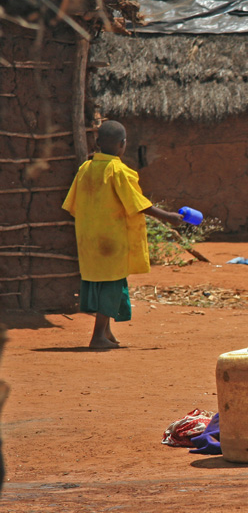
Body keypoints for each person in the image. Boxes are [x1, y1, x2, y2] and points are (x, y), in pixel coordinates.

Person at [62, 120, 184, 349]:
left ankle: (106, 332)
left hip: (89, 240)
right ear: (122, 144)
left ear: (97, 142)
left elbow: (73, 204)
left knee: (100, 282)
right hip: (111, 241)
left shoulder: (85, 169)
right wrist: (167, 216)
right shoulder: (119, 171)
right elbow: (138, 204)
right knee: (111, 285)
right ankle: (98, 336)